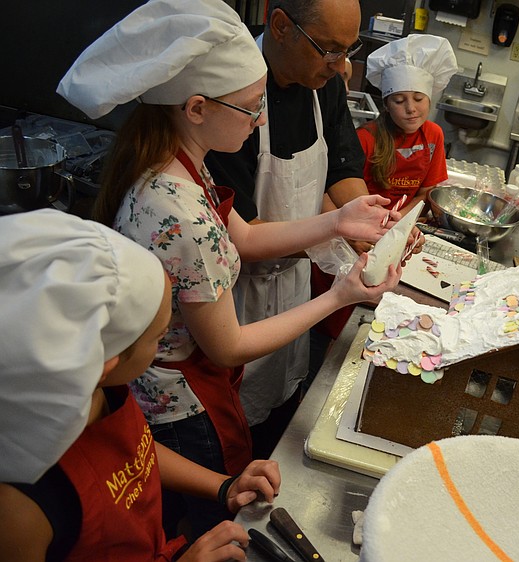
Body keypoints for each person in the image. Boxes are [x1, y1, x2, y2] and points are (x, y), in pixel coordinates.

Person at [57, 0, 400, 538]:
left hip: (181, 393)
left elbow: (246, 235)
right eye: (249, 107)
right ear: (196, 108)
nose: (261, 118)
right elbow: (228, 346)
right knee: (201, 532)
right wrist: (341, 296)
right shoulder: (177, 209)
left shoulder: (180, 162)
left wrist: (340, 221)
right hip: (181, 409)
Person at [0, 209, 281, 562]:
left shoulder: (99, 389)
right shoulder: (17, 511)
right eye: (159, 339)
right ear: (105, 364)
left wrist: (223, 485)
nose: (161, 349)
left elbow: (134, 452)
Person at [203, 0, 381, 457]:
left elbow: (341, 164)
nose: (341, 65)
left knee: (283, 416)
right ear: (280, 26)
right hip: (235, 300)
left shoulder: (323, 83)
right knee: (234, 435)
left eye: (348, 50)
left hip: (297, 289)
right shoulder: (233, 97)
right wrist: (339, 228)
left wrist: (371, 219)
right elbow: (244, 235)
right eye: (329, 50)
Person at [358, 34, 457, 217]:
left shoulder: (434, 135)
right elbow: (350, 194)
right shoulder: (365, 138)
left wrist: (399, 219)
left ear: (429, 99)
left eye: (419, 99)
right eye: (398, 101)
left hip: (405, 220)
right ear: (386, 105)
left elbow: (425, 193)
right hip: (365, 219)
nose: (411, 108)